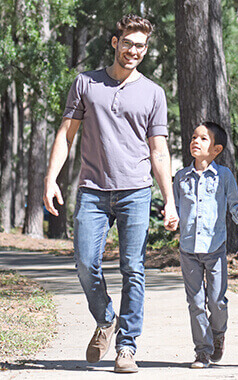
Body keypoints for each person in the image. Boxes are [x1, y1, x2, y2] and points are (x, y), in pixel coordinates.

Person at [43, 14, 178, 374]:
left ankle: (126, 347)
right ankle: (106, 318)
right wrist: (51, 178)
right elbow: (65, 134)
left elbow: (159, 149)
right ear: (115, 42)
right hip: (92, 190)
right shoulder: (86, 83)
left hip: (136, 190)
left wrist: (169, 199)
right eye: (129, 43)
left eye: (141, 46)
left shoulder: (153, 93)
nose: (134, 50)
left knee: (133, 269)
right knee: (86, 264)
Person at [166, 122, 238, 369]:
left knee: (217, 301)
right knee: (195, 303)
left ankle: (218, 335)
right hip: (188, 250)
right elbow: (173, 208)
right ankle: (202, 352)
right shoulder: (181, 177)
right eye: (194, 137)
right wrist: (171, 219)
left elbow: (235, 207)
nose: (195, 141)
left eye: (203, 139)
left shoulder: (224, 176)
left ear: (216, 149)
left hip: (215, 249)